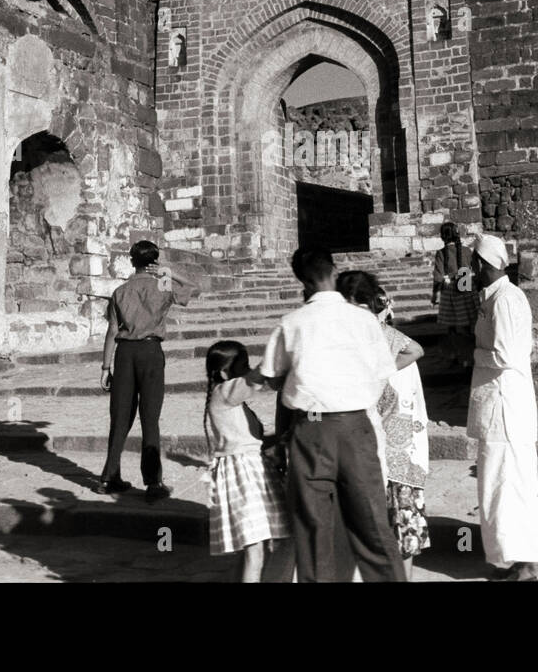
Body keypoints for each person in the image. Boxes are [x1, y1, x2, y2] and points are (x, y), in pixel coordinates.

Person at [259, 247, 405, 583]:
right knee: (372, 525)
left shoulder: (291, 323)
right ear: (333, 270)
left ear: (302, 281)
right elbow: (382, 370)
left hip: (311, 431)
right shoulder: (365, 320)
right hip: (356, 426)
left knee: (312, 528)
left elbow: (271, 376)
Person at [338, 270, 430, 581]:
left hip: (398, 452)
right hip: (381, 450)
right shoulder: (379, 344)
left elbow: (415, 352)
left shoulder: (385, 341)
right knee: (391, 530)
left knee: (401, 529)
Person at [467, 233, 538, 581]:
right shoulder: (494, 299)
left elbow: (506, 355)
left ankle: (528, 566)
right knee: (500, 484)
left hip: (505, 409)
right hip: (498, 408)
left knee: (510, 484)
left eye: (474, 263)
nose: (470, 268)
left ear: (483, 265)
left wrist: (473, 355)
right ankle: (517, 563)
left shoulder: (506, 301)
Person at [98, 240, 198, 501]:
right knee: (149, 418)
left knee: (120, 417)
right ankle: (153, 483)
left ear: (132, 261)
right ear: (154, 261)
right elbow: (191, 287)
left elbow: (111, 331)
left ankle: (109, 477)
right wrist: (167, 271)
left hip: (125, 354)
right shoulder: (162, 285)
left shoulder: (120, 291)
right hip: (151, 353)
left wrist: (106, 366)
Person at [202, 339, 293, 582]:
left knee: (258, 548)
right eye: (242, 364)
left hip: (251, 469)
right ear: (224, 372)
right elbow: (254, 379)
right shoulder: (224, 393)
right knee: (255, 551)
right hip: (241, 474)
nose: (246, 368)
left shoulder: (232, 401)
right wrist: (278, 351)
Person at [433, 221, 477, 367]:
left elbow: (438, 277)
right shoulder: (467, 251)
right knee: (468, 325)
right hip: (467, 289)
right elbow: (474, 268)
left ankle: (456, 354)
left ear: (442, 237)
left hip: (450, 293)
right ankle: (471, 355)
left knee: (451, 326)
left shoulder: (441, 253)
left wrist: (435, 295)